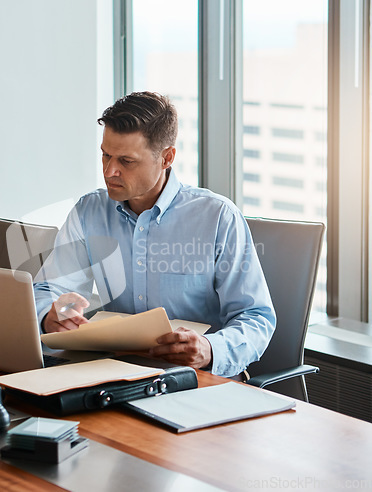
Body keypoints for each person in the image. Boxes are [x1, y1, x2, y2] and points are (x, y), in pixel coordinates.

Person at [34, 91, 275, 378]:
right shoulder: (89, 211)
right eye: (106, 155)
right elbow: (49, 290)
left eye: (126, 161)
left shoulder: (218, 217)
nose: (110, 171)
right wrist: (50, 316)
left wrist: (210, 349)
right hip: (114, 373)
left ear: (166, 158)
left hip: (195, 378)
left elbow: (256, 317)